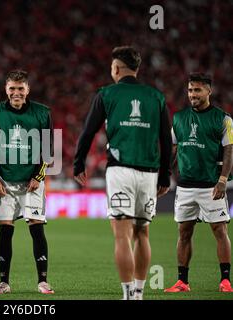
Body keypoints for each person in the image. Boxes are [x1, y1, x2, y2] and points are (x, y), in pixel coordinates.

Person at [73, 46, 172, 300]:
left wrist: (78, 163)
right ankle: (139, 293)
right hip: (149, 172)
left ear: (116, 69)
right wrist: (164, 175)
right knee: (142, 232)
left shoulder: (106, 94)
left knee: (121, 234)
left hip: (120, 170)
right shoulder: (156, 97)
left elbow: (88, 131)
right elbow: (165, 138)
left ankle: (128, 295)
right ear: (137, 70)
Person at [0, 70, 54, 295]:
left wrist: (38, 176)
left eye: (20, 88)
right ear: (6, 89)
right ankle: (4, 282)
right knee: (5, 231)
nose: (16, 93)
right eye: (12, 88)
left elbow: (48, 149)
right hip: (5, 181)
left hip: (32, 181)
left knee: (36, 229)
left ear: (27, 90)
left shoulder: (42, 113)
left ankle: (43, 281)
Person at [165, 73, 233, 293]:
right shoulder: (179, 118)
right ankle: (182, 282)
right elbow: (173, 148)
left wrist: (222, 179)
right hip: (185, 186)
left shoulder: (223, 119)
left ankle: (225, 280)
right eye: (190, 90)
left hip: (210, 185)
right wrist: (164, 173)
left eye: (198, 90)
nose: (193, 94)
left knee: (219, 230)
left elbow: (229, 150)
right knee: (184, 232)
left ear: (209, 92)